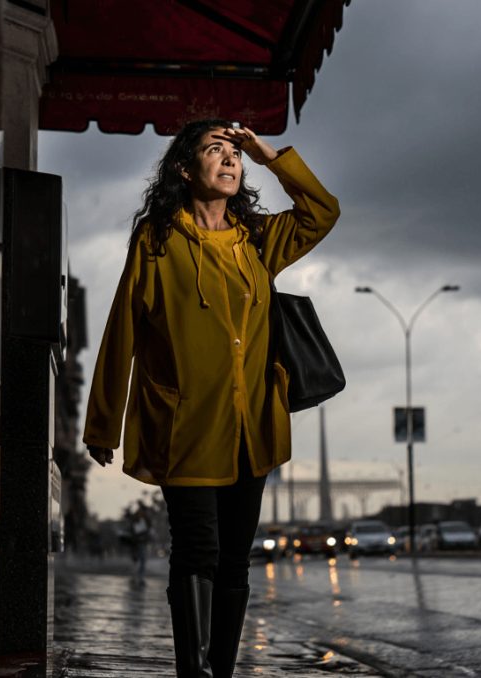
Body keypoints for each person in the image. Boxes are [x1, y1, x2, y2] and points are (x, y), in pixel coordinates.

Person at [82, 119, 339, 677]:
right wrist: (103, 424)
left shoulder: (257, 240)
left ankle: (219, 671)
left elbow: (322, 211)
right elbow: (121, 328)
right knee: (197, 552)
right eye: (214, 151)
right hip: (185, 427)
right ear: (183, 168)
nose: (229, 160)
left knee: (233, 562)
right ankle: (192, 672)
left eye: (234, 154)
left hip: (253, 431)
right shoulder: (156, 239)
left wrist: (269, 154)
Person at [128, 502, 152, 586]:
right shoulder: (138, 520)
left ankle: (138, 577)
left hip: (139, 542)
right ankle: (137, 577)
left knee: (139, 560)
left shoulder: (143, 519)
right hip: (137, 542)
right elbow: (135, 531)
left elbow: (148, 530)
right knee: (139, 560)